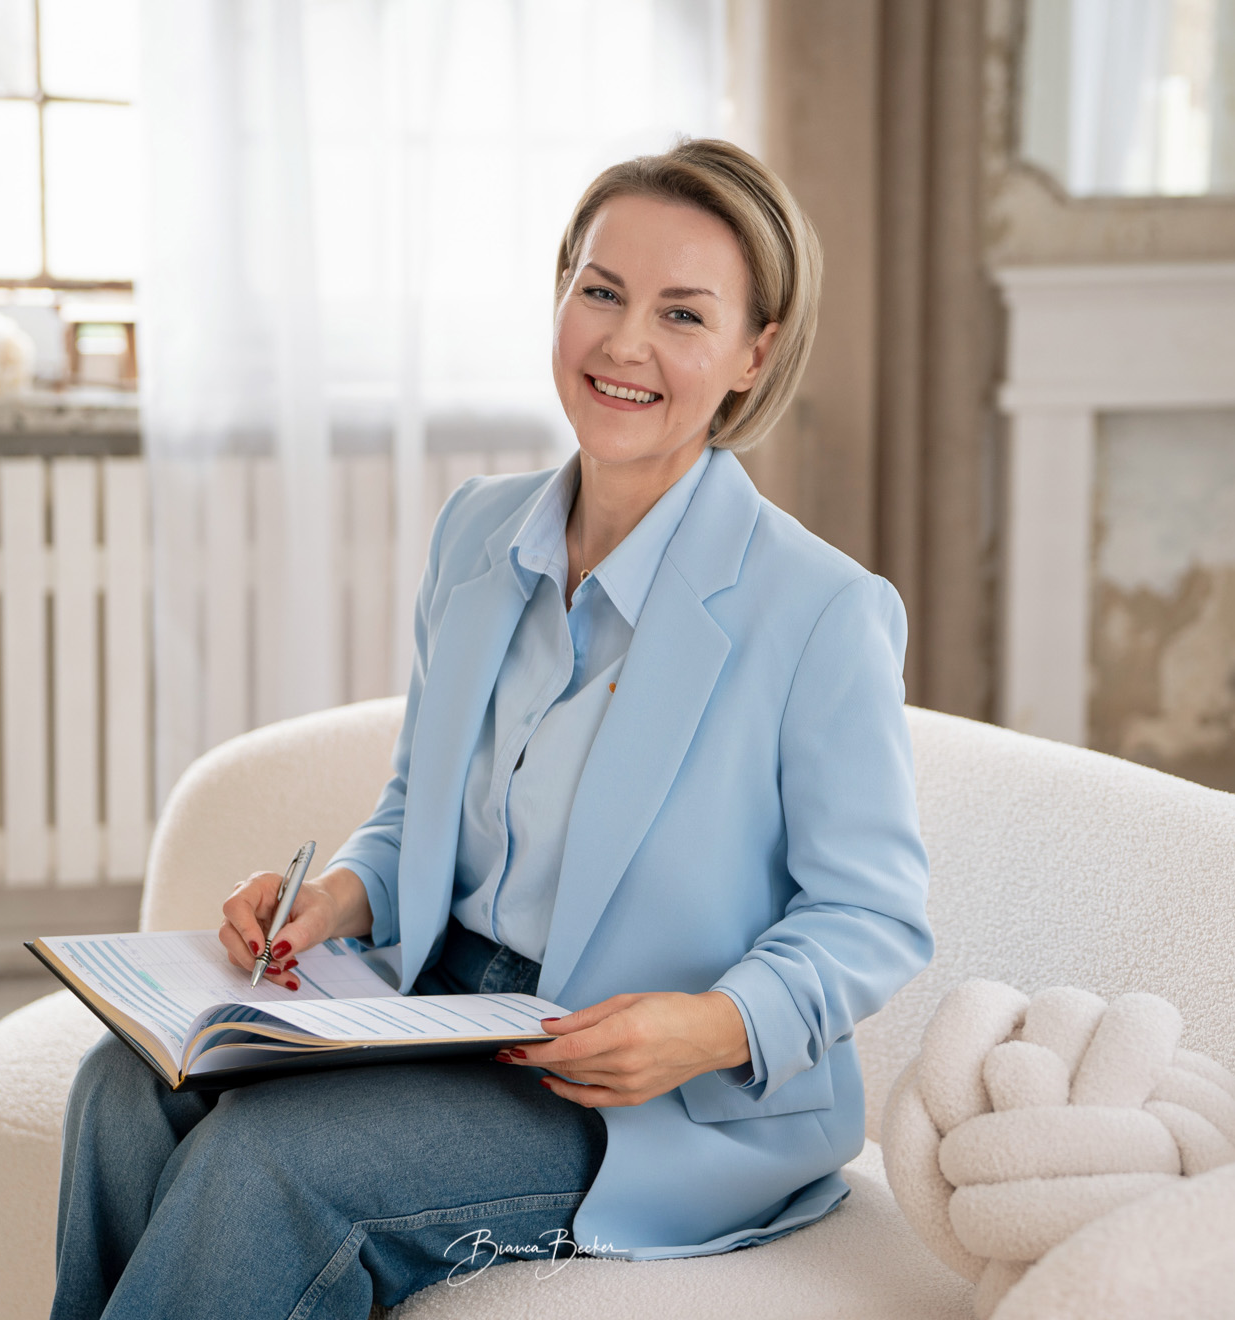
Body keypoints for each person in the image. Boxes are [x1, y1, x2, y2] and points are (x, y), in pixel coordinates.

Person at [51, 138, 933, 1320]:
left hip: (630, 1088)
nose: (626, 344)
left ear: (752, 352)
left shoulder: (820, 611)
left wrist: (709, 1026)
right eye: (601, 291)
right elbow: (417, 808)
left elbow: (872, 916)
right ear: (561, 294)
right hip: (440, 1007)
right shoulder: (478, 534)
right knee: (120, 1085)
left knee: (267, 1166)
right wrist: (340, 900)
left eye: (683, 314)